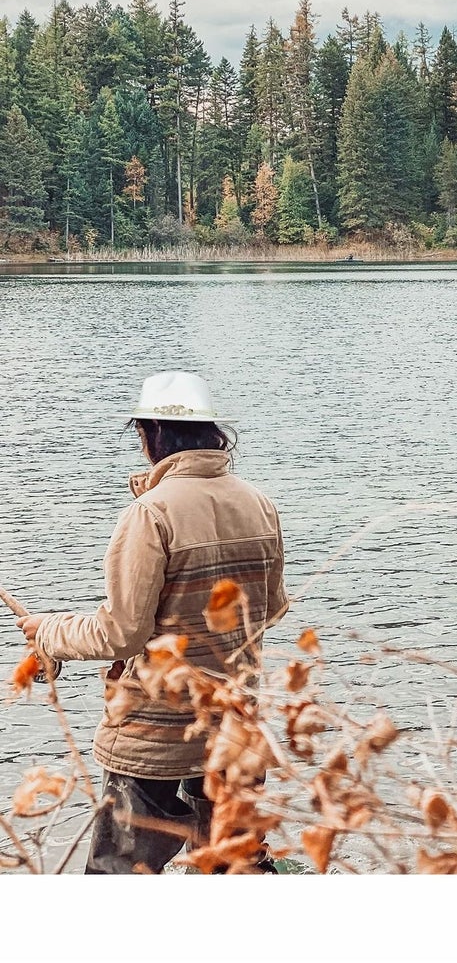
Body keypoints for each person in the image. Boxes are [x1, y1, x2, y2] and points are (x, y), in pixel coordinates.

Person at [17, 370, 289, 874]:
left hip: (154, 732)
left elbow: (122, 632)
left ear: (152, 434)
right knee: (235, 866)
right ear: (213, 434)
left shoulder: (150, 514)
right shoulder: (260, 504)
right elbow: (270, 610)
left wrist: (49, 632)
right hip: (233, 720)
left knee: (119, 874)